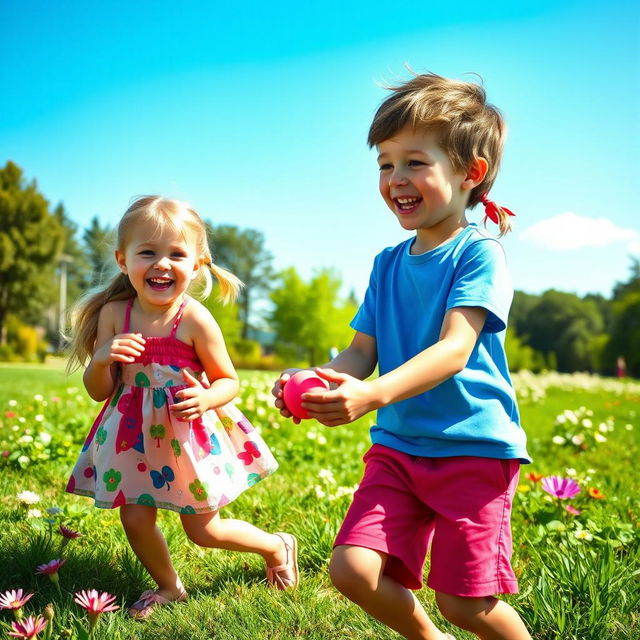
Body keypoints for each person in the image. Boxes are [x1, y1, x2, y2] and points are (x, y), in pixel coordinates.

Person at [273, 73, 532, 640]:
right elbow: (361, 351)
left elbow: (454, 350)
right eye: (385, 164)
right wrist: (319, 378)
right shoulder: (386, 263)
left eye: (414, 162)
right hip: (398, 448)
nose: (396, 179)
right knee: (351, 569)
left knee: (465, 604)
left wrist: (370, 395)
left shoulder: (479, 254)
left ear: (471, 174)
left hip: (473, 452)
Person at [66, 196, 298, 619]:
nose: (161, 263)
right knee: (135, 520)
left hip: (185, 436)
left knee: (205, 531)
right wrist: (102, 358)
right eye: (147, 252)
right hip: (132, 436)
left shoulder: (194, 319)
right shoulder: (116, 315)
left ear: (197, 264)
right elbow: (98, 391)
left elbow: (229, 379)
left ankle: (275, 544)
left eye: (176, 253)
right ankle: (170, 587)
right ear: (123, 260)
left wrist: (207, 397)